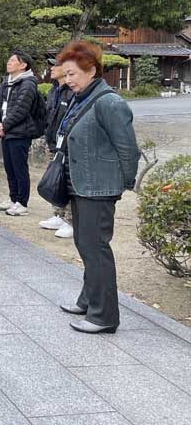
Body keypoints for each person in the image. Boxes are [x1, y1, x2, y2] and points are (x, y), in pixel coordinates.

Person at [55, 41, 140, 334]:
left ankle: (104, 317)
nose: (68, 81)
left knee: (96, 249)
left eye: (72, 74)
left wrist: (122, 183)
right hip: (82, 184)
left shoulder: (109, 102)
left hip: (98, 188)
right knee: (85, 245)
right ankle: (88, 300)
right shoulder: (83, 98)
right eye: (65, 75)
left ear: (91, 70)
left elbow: (128, 149)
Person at [0, 50, 40, 217]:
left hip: (20, 131)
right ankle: (13, 198)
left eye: (13, 60)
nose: (9, 62)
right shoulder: (6, 82)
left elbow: (21, 109)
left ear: (23, 65)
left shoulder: (28, 84)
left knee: (19, 167)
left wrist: (4, 125)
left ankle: (22, 202)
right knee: (9, 167)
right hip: (5, 130)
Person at [39, 58, 75, 239]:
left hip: (66, 144)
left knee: (66, 181)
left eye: (56, 65)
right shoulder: (54, 90)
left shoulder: (72, 92)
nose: (52, 69)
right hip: (53, 141)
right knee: (54, 180)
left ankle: (70, 220)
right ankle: (58, 214)